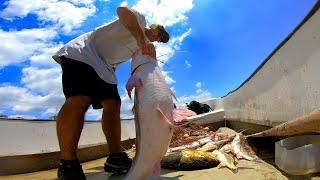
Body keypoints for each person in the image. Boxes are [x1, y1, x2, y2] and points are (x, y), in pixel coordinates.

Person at [52, 6, 170, 180]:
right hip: (83, 53)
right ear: (155, 28)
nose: (157, 39)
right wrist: (141, 39)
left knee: (114, 104)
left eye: (160, 39)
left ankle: (115, 158)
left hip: (105, 68)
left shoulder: (138, 49)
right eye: (159, 34)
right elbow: (122, 10)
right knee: (79, 99)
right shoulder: (140, 21)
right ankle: (68, 164)